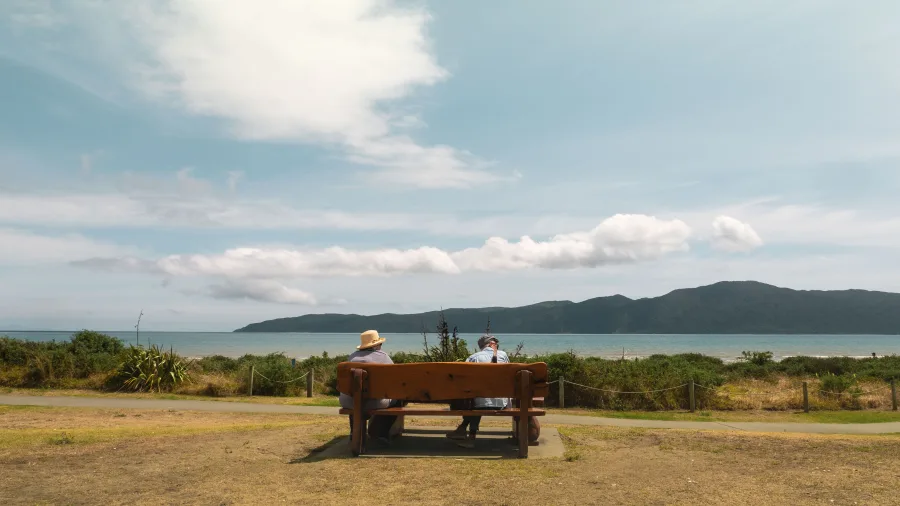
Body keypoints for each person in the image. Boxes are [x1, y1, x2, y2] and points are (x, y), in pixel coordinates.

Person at [446, 334, 509, 448]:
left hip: (479, 403)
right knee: (478, 401)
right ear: (491, 344)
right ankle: (461, 430)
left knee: (476, 402)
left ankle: (468, 435)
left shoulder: (473, 358)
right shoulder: (503, 355)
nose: (497, 346)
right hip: (501, 403)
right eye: (496, 343)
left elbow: (463, 380)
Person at [339, 330, 401, 444]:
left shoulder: (352, 357)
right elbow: (395, 379)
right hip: (375, 402)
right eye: (380, 344)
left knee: (356, 397)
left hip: (348, 401)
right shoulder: (383, 357)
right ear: (377, 345)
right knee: (398, 400)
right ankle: (380, 433)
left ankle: (355, 432)